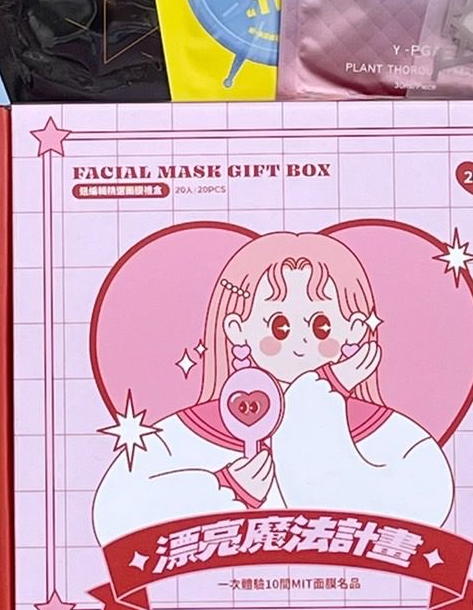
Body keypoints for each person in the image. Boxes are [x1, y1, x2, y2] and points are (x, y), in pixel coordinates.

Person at [92, 230, 454, 544]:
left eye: (321, 327)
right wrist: (224, 489)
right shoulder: (187, 433)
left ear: (355, 328)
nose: (301, 342)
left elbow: (426, 504)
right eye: (279, 326)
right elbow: (116, 515)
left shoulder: (386, 433)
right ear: (237, 329)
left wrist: (318, 393)